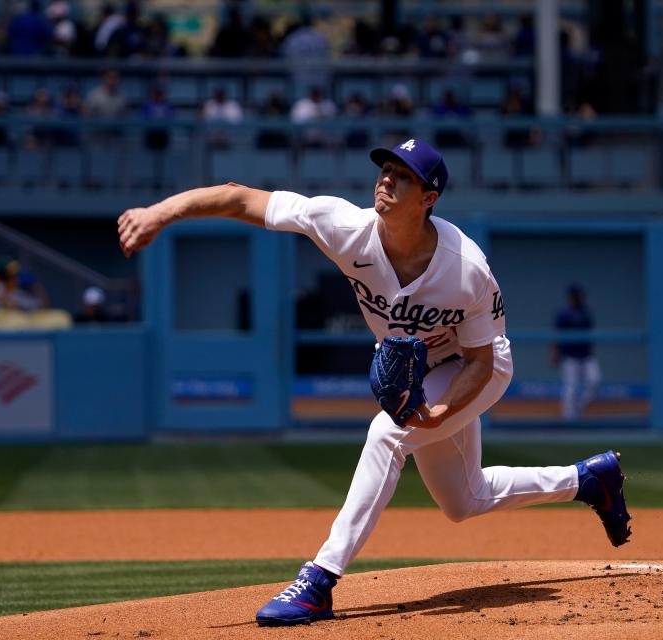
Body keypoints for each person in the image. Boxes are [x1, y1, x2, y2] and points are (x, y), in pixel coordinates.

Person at [116, 138, 632, 626]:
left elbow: (478, 360)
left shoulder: (466, 267)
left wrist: (439, 412)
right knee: (463, 501)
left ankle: (318, 580)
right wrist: (159, 213)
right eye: (385, 170)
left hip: (477, 367)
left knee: (388, 434)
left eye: (402, 177)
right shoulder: (344, 226)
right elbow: (238, 198)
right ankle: (589, 479)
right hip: (420, 367)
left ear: (428, 198)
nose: (386, 180)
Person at [551, 284, 602, 420]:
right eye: (578, 295)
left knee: (595, 380)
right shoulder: (564, 314)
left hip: (587, 355)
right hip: (570, 356)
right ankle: (568, 418)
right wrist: (555, 353)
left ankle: (578, 408)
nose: (581, 297)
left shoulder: (586, 313)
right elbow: (556, 335)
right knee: (571, 387)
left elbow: (589, 335)